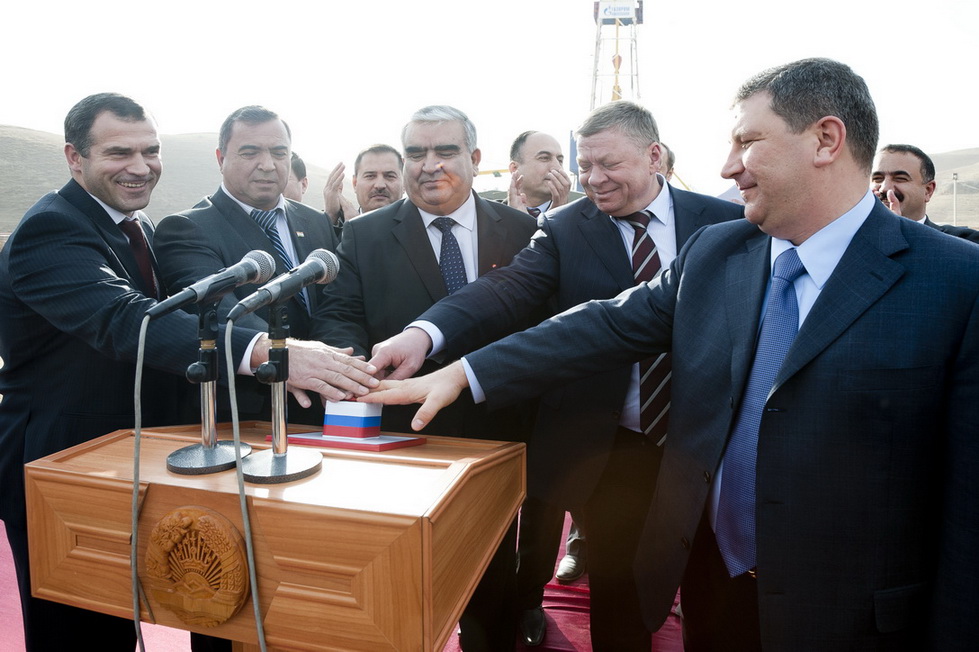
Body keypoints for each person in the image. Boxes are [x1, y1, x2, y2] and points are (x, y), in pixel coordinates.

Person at [361, 58, 979, 650]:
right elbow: (600, 325)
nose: (728, 166)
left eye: (747, 142)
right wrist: (461, 372)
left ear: (825, 140)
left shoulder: (956, 284)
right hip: (716, 591)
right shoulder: (718, 254)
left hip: (854, 617)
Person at [0, 93, 377, 652]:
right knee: (79, 633)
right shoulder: (51, 229)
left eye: (150, 151)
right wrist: (267, 352)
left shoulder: (134, 224)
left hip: (125, 457)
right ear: (74, 158)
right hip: (62, 462)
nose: (140, 166)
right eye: (119, 153)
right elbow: (124, 320)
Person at [367, 100, 742, 650]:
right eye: (584, 165)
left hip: (715, 445)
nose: (593, 179)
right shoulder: (565, 228)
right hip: (622, 449)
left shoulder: (724, 223)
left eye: (608, 164)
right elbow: (506, 288)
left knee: (718, 597)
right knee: (619, 597)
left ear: (653, 156)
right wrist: (424, 334)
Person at [311, 105, 539, 651]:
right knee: (402, 584)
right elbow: (338, 315)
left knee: (488, 577)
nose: (429, 164)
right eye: (416, 153)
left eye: (445, 151)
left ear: (475, 158)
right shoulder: (364, 235)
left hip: (497, 430)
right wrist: (354, 365)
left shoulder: (523, 230)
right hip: (400, 434)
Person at [155, 106, 349, 426]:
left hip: (326, 402)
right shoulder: (186, 228)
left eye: (279, 153)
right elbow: (220, 312)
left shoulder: (315, 221)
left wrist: (337, 362)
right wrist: (288, 357)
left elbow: (335, 303)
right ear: (220, 159)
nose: (268, 165)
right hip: (243, 414)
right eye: (250, 153)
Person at [871, 143, 979, 242]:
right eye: (877, 178)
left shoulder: (965, 242)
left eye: (900, 178)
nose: (884, 188)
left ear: (928, 190)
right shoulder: (860, 239)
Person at [322, 144, 405, 233]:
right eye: (370, 176)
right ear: (355, 183)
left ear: (404, 184)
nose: (380, 185)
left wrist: (358, 230)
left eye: (390, 176)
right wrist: (330, 217)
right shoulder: (336, 229)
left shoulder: (415, 228)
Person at [506, 130, 572, 216]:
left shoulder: (579, 219)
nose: (557, 167)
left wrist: (559, 217)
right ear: (515, 168)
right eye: (544, 158)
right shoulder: (490, 217)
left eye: (560, 160)